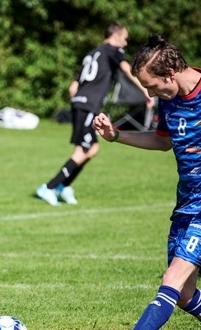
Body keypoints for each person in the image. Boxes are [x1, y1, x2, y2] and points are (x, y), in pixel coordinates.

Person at [92, 34, 201, 330]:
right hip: (185, 202)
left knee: (172, 277)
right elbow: (161, 141)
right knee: (184, 294)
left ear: (171, 73)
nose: (151, 95)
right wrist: (115, 136)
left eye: (152, 87)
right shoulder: (171, 101)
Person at [36, 23, 154, 206]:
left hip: (81, 104)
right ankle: (49, 187)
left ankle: (64, 186)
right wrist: (146, 90)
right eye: (124, 38)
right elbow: (126, 69)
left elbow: (73, 87)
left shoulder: (92, 54)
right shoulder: (113, 50)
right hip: (88, 106)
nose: (125, 43)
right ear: (115, 36)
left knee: (92, 148)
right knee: (83, 149)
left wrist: (80, 102)